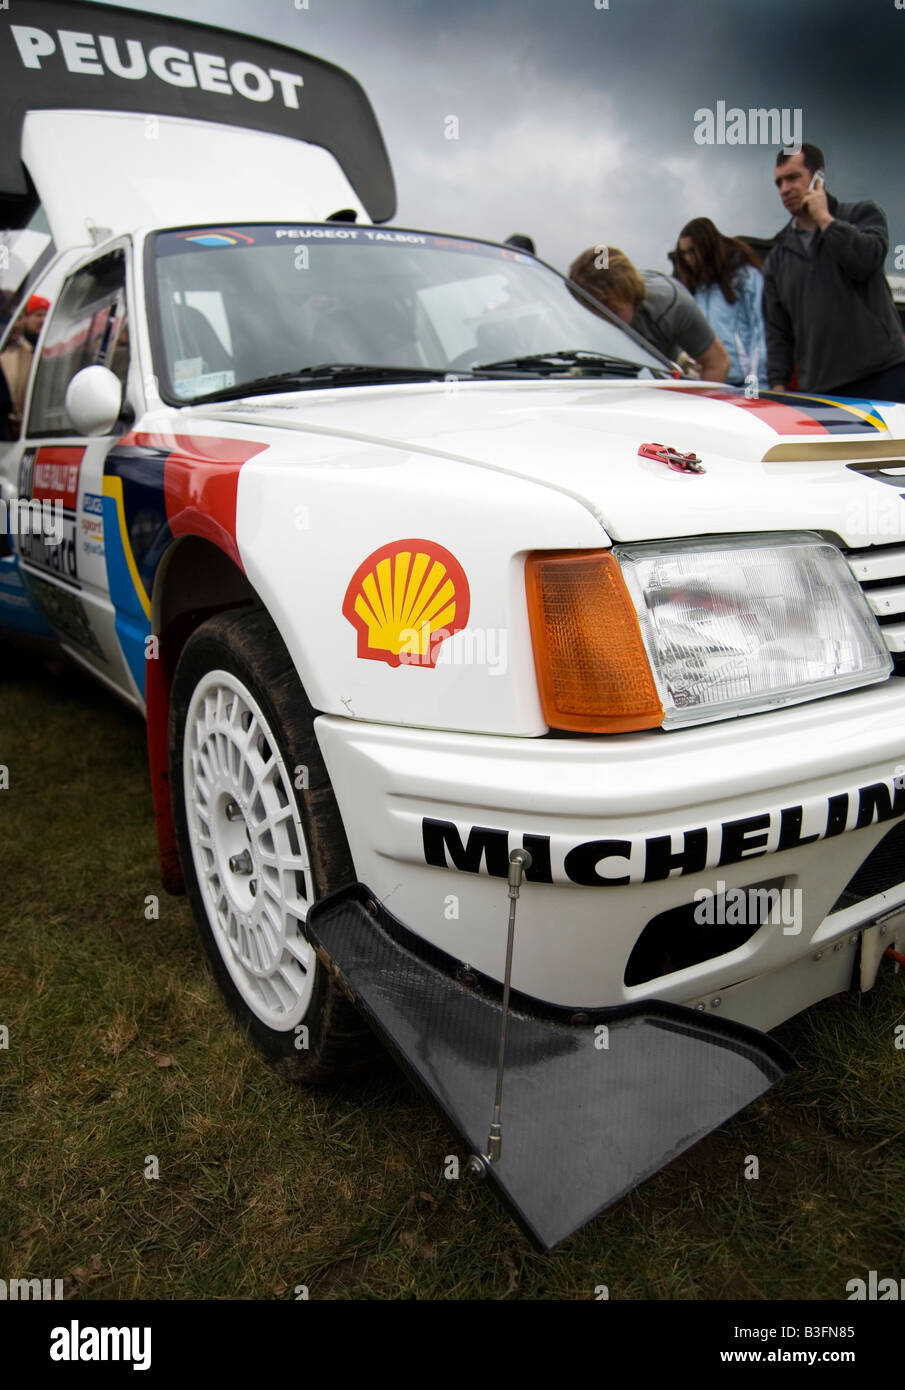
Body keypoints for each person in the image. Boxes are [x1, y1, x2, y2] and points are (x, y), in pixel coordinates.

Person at [763, 143, 905, 400]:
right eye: (779, 183)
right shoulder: (777, 258)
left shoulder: (862, 215)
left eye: (792, 178)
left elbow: (867, 260)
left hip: (883, 375)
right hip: (821, 390)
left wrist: (825, 220)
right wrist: (778, 386)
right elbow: (778, 332)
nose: (784, 189)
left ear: (818, 177)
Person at [568, 246, 730, 381]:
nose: (605, 322)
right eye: (594, 315)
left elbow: (718, 363)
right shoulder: (572, 311)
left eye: (612, 312)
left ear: (632, 295)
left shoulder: (671, 305)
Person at [674, 218, 767, 387]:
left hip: (743, 385)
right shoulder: (695, 289)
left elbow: (760, 334)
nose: (688, 259)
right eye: (684, 253)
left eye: (692, 251)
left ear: (707, 247)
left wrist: (755, 386)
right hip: (707, 384)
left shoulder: (745, 278)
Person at [0, 293, 50, 432]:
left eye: (47, 315)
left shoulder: (52, 354)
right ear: (26, 318)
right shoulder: (9, 357)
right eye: (38, 315)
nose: (43, 320)